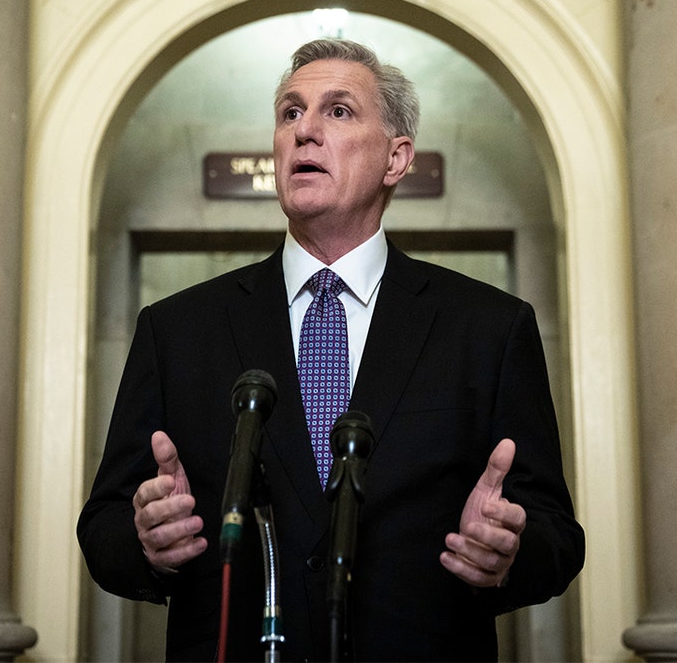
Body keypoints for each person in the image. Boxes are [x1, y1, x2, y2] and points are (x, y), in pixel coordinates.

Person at [78, 38, 584, 661]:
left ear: (397, 158)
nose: (304, 131)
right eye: (290, 113)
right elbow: (103, 527)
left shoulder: (488, 329)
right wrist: (146, 542)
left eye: (338, 112)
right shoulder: (179, 330)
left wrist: (508, 553)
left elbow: (557, 536)